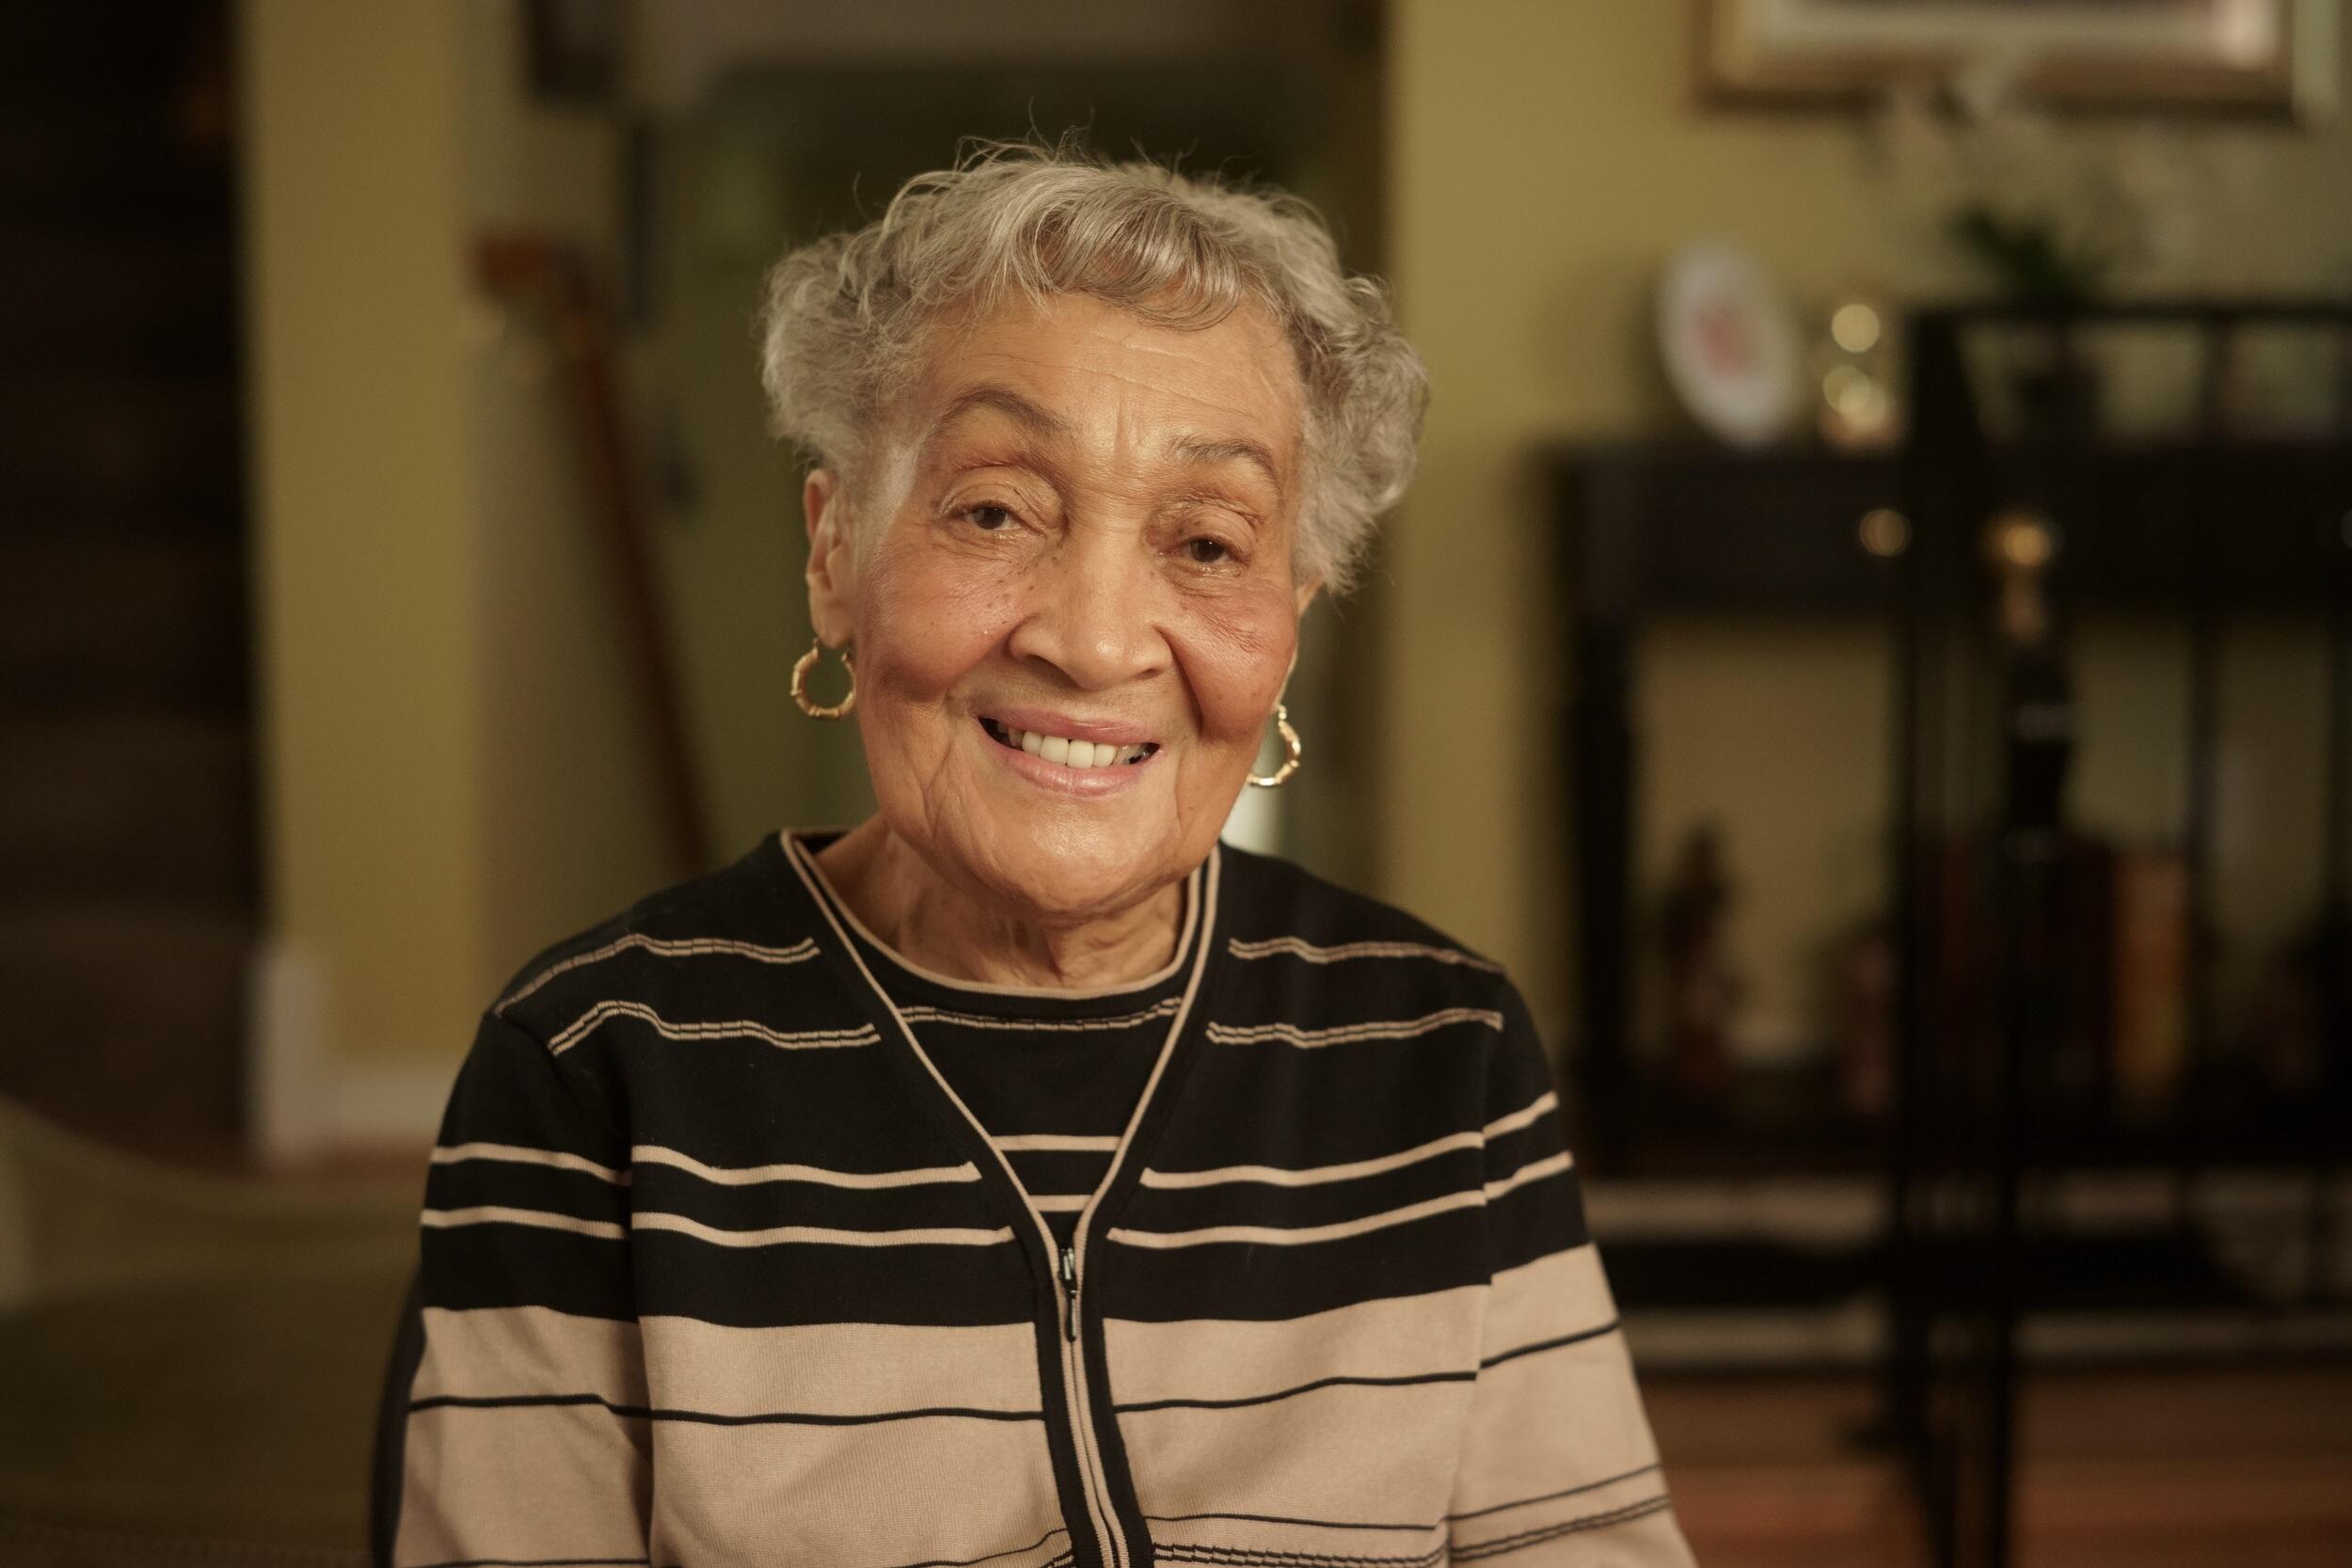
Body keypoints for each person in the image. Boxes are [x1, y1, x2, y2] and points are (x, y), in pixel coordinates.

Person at [386, 138, 1696, 1568]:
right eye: (996, 511)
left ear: (1291, 620)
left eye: (1206, 543)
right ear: (835, 554)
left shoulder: (1441, 1049)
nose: (1090, 637)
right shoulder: (594, 1064)